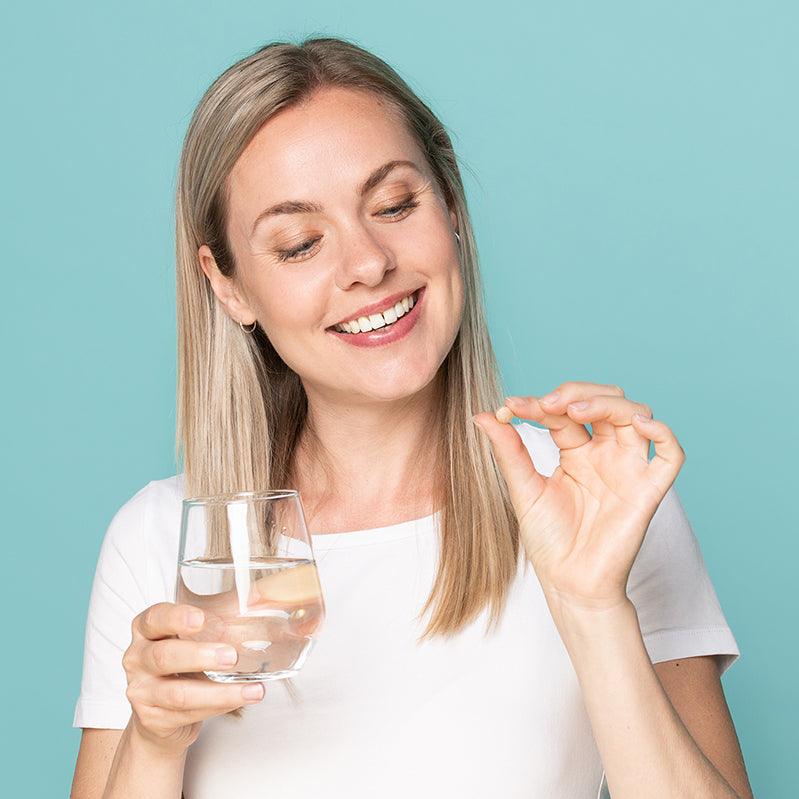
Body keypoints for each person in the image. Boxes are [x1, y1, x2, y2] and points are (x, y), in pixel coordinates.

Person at [70, 36, 753, 799]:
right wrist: (155, 741)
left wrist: (594, 609)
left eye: (394, 205)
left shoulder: (594, 502)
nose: (367, 262)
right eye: (299, 244)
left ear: (451, 205)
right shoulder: (159, 541)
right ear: (227, 286)